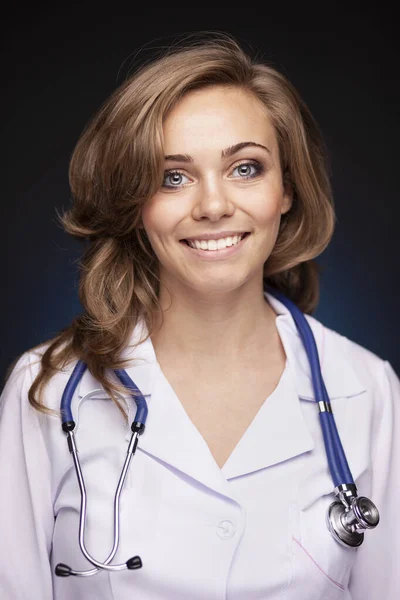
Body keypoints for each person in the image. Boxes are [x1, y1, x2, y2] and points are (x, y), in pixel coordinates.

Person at [0, 31, 399, 600]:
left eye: (245, 168)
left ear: (286, 189)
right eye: (173, 177)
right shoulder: (46, 392)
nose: (213, 205)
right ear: (135, 202)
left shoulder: (368, 392)